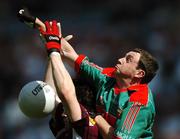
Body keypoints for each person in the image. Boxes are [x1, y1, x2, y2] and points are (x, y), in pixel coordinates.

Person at [60, 32, 159, 138]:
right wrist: (55, 40)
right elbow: (77, 61)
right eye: (124, 57)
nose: (120, 60)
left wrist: (95, 116)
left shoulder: (140, 102)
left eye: (128, 60)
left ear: (139, 73)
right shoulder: (110, 76)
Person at [38, 20, 100, 139]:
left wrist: (54, 51)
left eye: (65, 107)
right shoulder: (64, 121)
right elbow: (50, 93)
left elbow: (66, 93)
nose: (63, 113)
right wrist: (54, 54)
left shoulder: (90, 130)